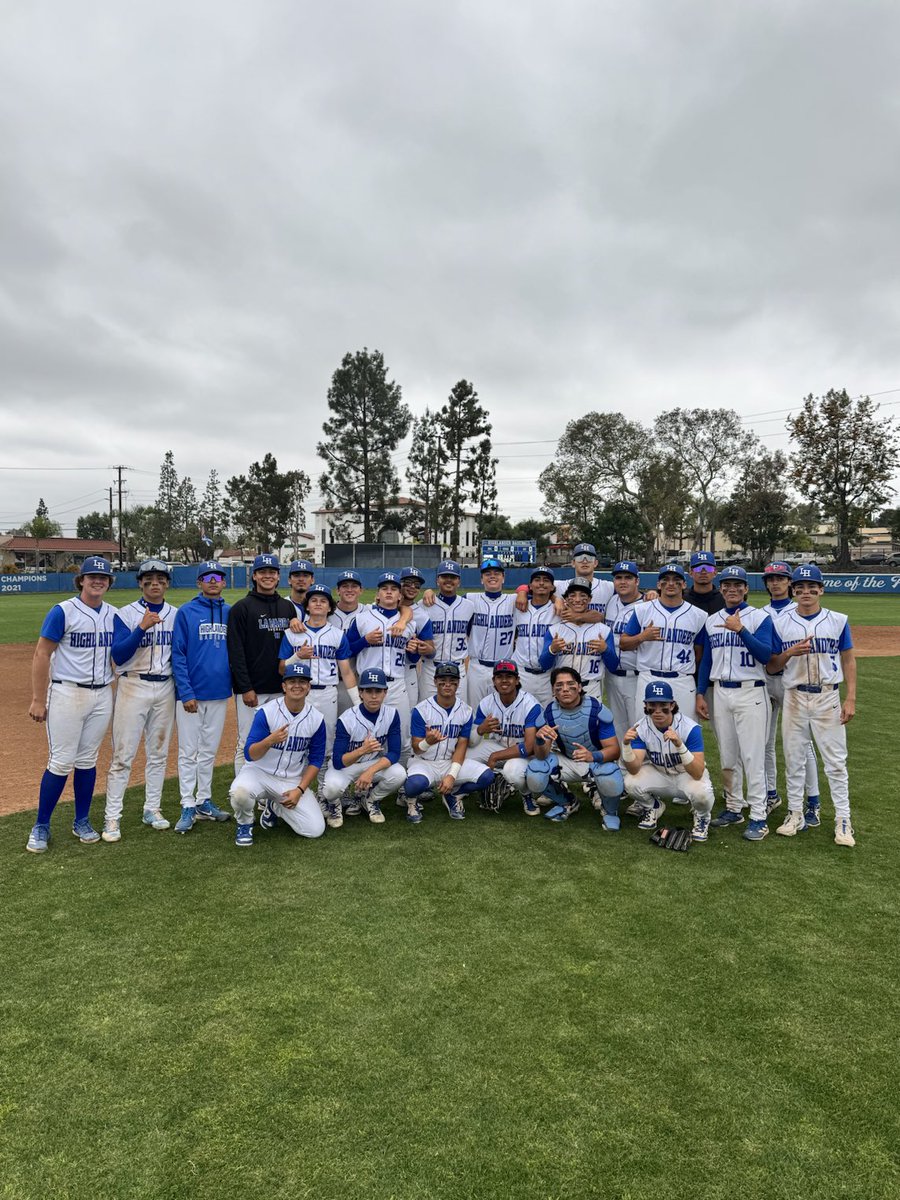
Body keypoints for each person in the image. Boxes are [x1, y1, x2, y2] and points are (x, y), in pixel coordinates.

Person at [26, 556, 118, 852]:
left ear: (109, 583)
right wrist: (39, 699)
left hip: (102, 694)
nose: (97, 581)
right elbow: (42, 654)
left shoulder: (113, 615)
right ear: (81, 580)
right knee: (61, 761)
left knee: (87, 760)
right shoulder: (63, 611)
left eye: (103, 578)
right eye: (92, 576)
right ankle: (41, 825)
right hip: (67, 693)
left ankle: (81, 820)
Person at [767, 565, 857, 847]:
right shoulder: (781, 623)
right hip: (794, 694)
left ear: (821, 589)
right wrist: (789, 652)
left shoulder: (838, 620)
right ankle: (795, 814)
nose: (806, 592)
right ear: (793, 590)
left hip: (828, 696)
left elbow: (849, 660)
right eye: (801, 587)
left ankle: (843, 819)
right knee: (793, 758)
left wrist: (851, 697)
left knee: (835, 762)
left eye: (812, 586)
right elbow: (772, 666)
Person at [100, 559, 178, 840]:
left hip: (165, 687)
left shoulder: (176, 615)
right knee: (123, 755)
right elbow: (118, 655)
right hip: (133, 685)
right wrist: (142, 627)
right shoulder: (125, 614)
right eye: (149, 578)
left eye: (160, 578)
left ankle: (152, 808)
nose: (155, 582)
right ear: (140, 582)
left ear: (167, 583)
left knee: (158, 753)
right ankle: (112, 818)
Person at [696, 566, 774, 841]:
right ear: (721, 588)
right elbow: (706, 659)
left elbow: (765, 655)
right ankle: (733, 807)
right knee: (728, 755)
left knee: (752, 756)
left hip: (751, 692)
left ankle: (759, 815)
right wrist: (700, 693)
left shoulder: (759, 618)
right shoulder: (711, 620)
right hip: (720, 693)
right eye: (727, 584)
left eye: (737, 585)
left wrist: (740, 630)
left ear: (745, 589)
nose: (732, 589)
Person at [229, 661, 326, 846]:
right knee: (240, 793)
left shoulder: (316, 719)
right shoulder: (267, 712)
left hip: (291, 780)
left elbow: (316, 759)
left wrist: (300, 790)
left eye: (302, 681)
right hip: (259, 773)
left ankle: (275, 807)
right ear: (284, 686)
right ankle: (244, 823)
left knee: (315, 830)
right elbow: (250, 755)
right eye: (292, 681)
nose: (297, 685)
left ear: (309, 687)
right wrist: (269, 741)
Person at [170, 561, 233, 835]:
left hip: (219, 693)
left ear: (223, 582)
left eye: (218, 576)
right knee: (188, 752)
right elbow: (178, 654)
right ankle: (187, 804)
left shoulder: (230, 612)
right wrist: (186, 692)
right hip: (192, 696)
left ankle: (203, 801)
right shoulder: (186, 612)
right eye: (207, 577)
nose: (213, 580)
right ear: (199, 583)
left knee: (208, 751)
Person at [345, 572, 428, 763]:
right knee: (365, 737)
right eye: (384, 589)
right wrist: (364, 641)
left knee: (403, 736)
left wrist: (414, 650)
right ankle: (364, 783)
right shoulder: (362, 619)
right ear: (377, 594)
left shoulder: (409, 623)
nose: (389, 592)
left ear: (400, 596)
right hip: (367, 687)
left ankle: (402, 783)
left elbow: (413, 659)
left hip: (397, 685)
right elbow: (347, 650)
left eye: (393, 589)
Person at [526, 666, 624, 828]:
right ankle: (567, 802)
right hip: (568, 760)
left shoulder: (596, 710)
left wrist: (593, 756)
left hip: (595, 761)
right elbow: (541, 756)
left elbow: (614, 751)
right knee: (535, 770)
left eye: (570, 684)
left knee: (609, 773)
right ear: (553, 691)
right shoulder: (549, 713)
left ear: (579, 687)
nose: (565, 689)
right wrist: (539, 741)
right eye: (559, 686)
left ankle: (610, 811)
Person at [226, 553, 296, 775]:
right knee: (247, 741)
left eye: (272, 572)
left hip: (280, 688)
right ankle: (241, 793)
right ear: (255, 576)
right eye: (262, 572)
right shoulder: (241, 608)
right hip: (252, 690)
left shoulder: (288, 608)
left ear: (278, 577)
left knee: (276, 741)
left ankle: (268, 794)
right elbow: (235, 652)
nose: (267, 576)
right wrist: (245, 688)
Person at [760, 561, 820, 817]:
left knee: (802, 744)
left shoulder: (801, 610)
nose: (776, 583)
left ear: (789, 584)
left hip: (793, 682)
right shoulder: (760, 612)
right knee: (764, 742)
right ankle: (771, 794)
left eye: (781, 578)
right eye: (771, 579)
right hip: (765, 679)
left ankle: (813, 800)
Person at [621, 681, 716, 841]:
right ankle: (653, 807)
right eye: (653, 705)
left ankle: (702, 817)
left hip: (687, 775)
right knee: (630, 782)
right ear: (646, 706)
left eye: (663, 705)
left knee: (702, 795)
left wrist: (679, 744)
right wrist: (626, 746)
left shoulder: (689, 728)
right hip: (660, 775)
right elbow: (634, 768)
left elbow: (697, 772)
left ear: (672, 705)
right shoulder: (640, 728)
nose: (658, 711)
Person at [278, 584, 359, 764]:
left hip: (327, 693)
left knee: (327, 741)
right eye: (314, 600)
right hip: (298, 693)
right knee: (295, 737)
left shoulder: (337, 635)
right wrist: (297, 656)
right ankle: (294, 784)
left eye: (323, 601)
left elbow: (346, 672)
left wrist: (358, 703)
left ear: (330, 607)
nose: (318, 604)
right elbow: (282, 669)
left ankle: (323, 788)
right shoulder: (292, 634)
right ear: (307, 606)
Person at [405, 662, 493, 821]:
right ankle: (412, 801)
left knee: (486, 776)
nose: (447, 684)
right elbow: (416, 749)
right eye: (442, 680)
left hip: (450, 761)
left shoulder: (466, 711)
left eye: (452, 680)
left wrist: (452, 775)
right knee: (414, 785)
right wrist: (427, 742)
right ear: (435, 682)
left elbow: (462, 745)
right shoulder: (421, 709)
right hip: (424, 762)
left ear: (458, 683)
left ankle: (454, 796)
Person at [618, 563, 707, 720]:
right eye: (665, 580)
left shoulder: (699, 615)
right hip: (648, 677)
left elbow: (699, 653)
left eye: (676, 580)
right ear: (659, 584)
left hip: (683, 680)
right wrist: (642, 637)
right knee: (646, 731)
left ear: (684, 584)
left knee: (686, 731)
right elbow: (623, 644)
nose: (671, 584)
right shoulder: (642, 610)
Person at [319, 667, 405, 827]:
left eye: (378, 691)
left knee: (399, 773)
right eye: (369, 691)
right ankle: (334, 804)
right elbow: (337, 761)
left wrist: (370, 772)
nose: (374, 696)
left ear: (385, 692)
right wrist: (362, 750)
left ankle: (370, 800)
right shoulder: (347, 719)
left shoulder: (392, 714)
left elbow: (394, 753)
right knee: (331, 788)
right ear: (360, 692)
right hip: (345, 766)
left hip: (371, 763)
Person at [466, 661, 542, 814]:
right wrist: (481, 730)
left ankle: (526, 795)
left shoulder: (530, 704)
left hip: (526, 755)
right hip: (499, 745)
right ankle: (479, 784)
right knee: (464, 755)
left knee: (511, 771)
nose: (504, 680)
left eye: (509, 676)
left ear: (517, 680)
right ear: (494, 681)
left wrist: (495, 757)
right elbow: (472, 741)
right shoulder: (486, 703)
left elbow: (529, 747)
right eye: (499, 677)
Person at [540, 579, 619, 701]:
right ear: (566, 599)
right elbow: (544, 665)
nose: (577, 600)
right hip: (563, 689)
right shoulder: (554, 630)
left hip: (591, 688)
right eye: (572, 595)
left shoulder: (603, 630)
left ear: (589, 599)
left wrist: (605, 650)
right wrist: (552, 650)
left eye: (583, 595)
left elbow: (613, 666)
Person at [461, 558, 518, 707]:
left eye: (496, 573)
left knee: (503, 713)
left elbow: (538, 595)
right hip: (476, 668)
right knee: (473, 713)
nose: (492, 576)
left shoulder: (515, 600)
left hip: (504, 669)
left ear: (503, 578)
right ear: (481, 579)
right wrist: (428, 591)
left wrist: (523, 591)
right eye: (487, 574)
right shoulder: (469, 599)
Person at [418, 560, 474, 703]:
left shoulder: (469, 606)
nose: (449, 580)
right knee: (427, 712)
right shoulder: (424, 605)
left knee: (459, 713)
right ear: (437, 580)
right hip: (431, 668)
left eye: (453, 577)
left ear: (459, 581)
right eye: (444, 576)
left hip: (458, 668)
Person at [603, 561, 644, 745]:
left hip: (635, 675)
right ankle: (622, 768)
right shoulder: (611, 600)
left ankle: (641, 768)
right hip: (611, 676)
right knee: (618, 726)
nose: (623, 581)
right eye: (618, 577)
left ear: (637, 581)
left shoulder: (648, 604)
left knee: (638, 727)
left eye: (628, 577)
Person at [511, 567, 559, 706]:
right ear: (530, 586)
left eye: (546, 580)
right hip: (522, 673)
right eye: (537, 580)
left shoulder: (559, 610)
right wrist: (521, 591)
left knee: (548, 721)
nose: (542, 583)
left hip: (548, 675)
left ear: (552, 587)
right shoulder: (518, 606)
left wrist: (559, 600)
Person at [329, 569, 368, 714]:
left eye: (354, 586)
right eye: (345, 586)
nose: (349, 590)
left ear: (361, 590)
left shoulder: (369, 612)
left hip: (357, 680)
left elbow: (401, 607)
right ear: (338, 591)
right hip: (331, 682)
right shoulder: (326, 613)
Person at [399, 566, 435, 708]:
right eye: (407, 583)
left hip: (408, 672)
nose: (412, 587)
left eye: (417, 585)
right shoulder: (383, 607)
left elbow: (431, 652)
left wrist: (423, 649)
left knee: (407, 717)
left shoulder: (422, 615)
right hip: (382, 670)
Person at [570, 542, 615, 617]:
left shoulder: (609, 587)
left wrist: (642, 596)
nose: (585, 561)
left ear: (595, 563)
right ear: (573, 563)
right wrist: (556, 599)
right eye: (580, 558)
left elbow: (631, 595)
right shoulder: (561, 586)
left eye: (589, 558)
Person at [685, 551, 725, 616]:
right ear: (690, 572)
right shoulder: (682, 599)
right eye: (698, 568)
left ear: (715, 572)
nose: (703, 572)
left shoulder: (724, 599)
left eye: (708, 568)